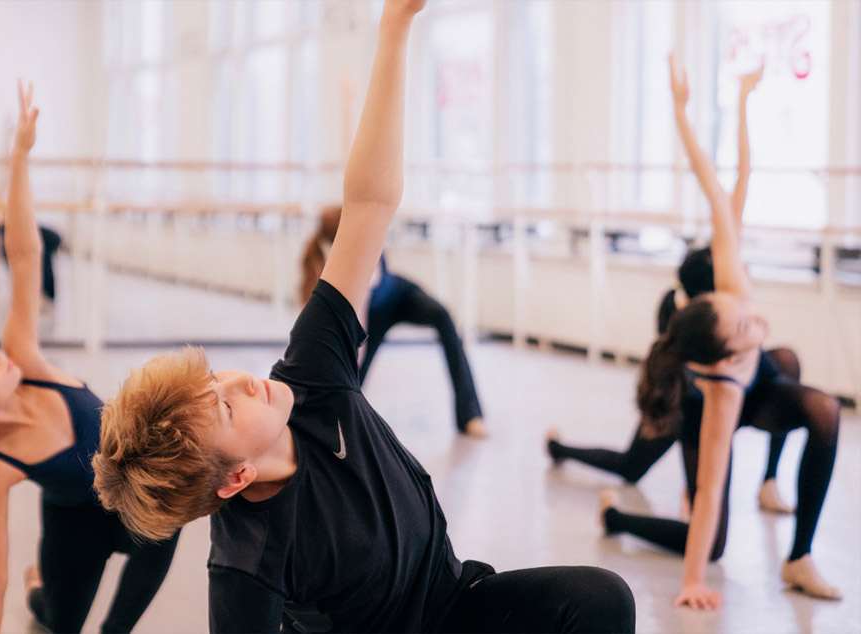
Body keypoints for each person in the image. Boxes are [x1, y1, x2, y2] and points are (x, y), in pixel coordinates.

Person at [93, 3, 636, 631]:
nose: (241, 383)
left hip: (454, 599)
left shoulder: (310, 372)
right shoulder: (247, 565)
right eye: (226, 408)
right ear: (237, 477)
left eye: (216, 381)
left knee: (602, 599)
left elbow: (370, 202)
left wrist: (396, 27)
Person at [0, 81, 179, 634]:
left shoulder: (22, 356)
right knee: (55, 619)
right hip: (73, 524)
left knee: (166, 522)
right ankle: (43, 591)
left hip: (129, 495)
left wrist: (21, 155)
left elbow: (24, 254)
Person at [598, 56, 841, 609]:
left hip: (761, 382)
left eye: (742, 311)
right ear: (729, 352)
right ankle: (617, 517)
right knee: (712, 545)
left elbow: (718, 181)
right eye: (745, 328)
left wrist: (693, 111)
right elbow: (708, 496)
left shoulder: (729, 282)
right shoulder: (721, 392)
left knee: (818, 401)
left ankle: (797, 552)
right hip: (731, 401)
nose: (756, 317)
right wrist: (691, 585)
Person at [547, 245, 796, 514]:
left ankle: (769, 480)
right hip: (682, 405)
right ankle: (559, 449)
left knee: (786, 362)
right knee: (630, 467)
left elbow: (729, 237)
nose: (742, 269)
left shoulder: (726, 314)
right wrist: (695, 484)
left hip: (713, 400)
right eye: (732, 267)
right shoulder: (689, 323)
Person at [299, 206, 486, 436]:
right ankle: (328, 420)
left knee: (442, 316)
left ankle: (470, 415)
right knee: (351, 380)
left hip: (399, 295)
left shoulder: (368, 240)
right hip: (374, 315)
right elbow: (359, 328)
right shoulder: (342, 274)